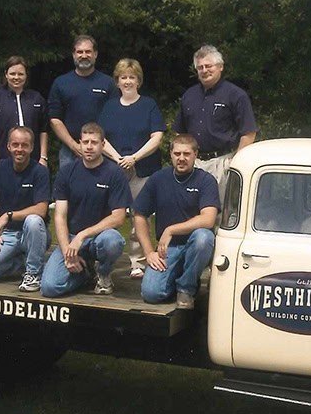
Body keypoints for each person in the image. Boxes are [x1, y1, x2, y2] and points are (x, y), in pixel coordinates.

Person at [41, 122, 131, 297]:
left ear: (103, 145)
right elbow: (60, 216)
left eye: (94, 142)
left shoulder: (115, 174)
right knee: (49, 288)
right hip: (71, 238)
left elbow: (119, 217)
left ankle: (103, 273)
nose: (89, 147)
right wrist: (67, 252)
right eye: (85, 142)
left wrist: (82, 235)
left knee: (113, 241)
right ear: (80, 143)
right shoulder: (67, 172)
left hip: (99, 237)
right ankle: (86, 274)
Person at [133, 134, 219, 310]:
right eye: (177, 153)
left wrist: (171, 230)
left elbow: (208, 219)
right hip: (167, 249)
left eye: (186, 154)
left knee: (204, 237)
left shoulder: (206, 181)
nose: (181, 158)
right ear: (171, 154)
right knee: (151, 294)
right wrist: (149, 253)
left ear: (195, 155)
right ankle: (178, 277)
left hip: (195, 246)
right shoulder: (158, 179)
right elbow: (139, 214)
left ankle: (186, 289)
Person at [98, 58, 165, 280]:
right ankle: (103, 260)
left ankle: (138, 261)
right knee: (109, 214)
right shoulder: (109, 107)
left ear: (139, 81)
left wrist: (134, 158)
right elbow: (100, 138)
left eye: (132, 77)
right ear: (117, 81)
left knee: (140, 214)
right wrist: (118, 158)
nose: (127, 81)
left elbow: (157, 136)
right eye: (123, 77)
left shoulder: (149, 105)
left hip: (143, 168)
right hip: (114, 168)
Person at [0, 126, 51, 292]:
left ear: (32, 147)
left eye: (24, 145)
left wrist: (8, 215)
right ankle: (18, 265)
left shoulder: (40, 172)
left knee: (33, 220)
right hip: (8, 235)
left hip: (33, 234)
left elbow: (41, 210)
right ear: (8, 146)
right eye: (15, 144)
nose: (20, 149)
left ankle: (33, 273)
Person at [172, 44, 257, 202]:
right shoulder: (189, 96)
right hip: (194, 162)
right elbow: (180, 133)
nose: (204, 70)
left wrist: (236, 163)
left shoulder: (236, 95)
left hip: (222, 163)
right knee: (190, 207)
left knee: (221, 208)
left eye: (208, 66)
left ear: (220, 67)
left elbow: (248, 133)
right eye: (200, 67)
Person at [48, 35, 118, 171]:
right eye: (80, 52)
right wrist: (74, 145)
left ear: (95, 54)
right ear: (73, 54)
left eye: (88, 52)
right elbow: (54, 119)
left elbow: (115, 117)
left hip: (103, 150)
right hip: (70, 151)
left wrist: (101, 146)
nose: (84, 55)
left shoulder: (108, 83)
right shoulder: (61, 83)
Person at [0, 55, 49, 168]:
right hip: (3, 159)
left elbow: (43, 130)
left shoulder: (36, 99)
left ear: (26, 75)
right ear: (6, 74)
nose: (16, 77)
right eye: (12, 74)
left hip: (33, 160)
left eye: (20, 74)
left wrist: (43, 157)